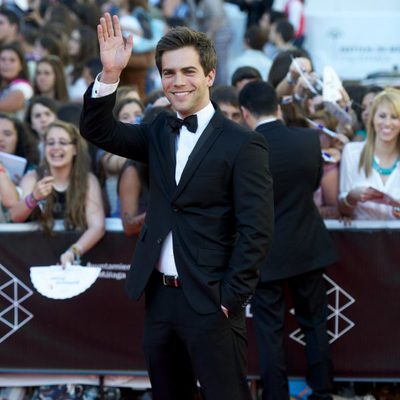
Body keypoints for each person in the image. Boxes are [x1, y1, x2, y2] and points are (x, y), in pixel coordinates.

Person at [80, 13, 273, 400]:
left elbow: (257, 229)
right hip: (161, 300)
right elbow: (97, 130)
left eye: (188, 71)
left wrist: (231, 297)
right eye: (169, 73)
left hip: (212, 301)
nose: (178, 81)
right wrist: (110, 73)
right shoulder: (158, 130)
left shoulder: (242, 144)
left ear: (210, 75)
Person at [239, 81, 337, 400]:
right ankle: (322, 390)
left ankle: (276, 396)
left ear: (244, 113)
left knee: (269, 332)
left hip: (265, 253)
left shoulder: (243, 148)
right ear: (278, 107)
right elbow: (311, 185)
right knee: (316, 323)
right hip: (308, 246)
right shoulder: (309, 140)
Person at [10, 120, 105, 267]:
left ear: (75, 149)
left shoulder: (88, 181)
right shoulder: (32, 178)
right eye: (51, 143)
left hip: (74, 261)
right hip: (33, 260)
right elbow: (15, 216)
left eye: (62, 142)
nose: (56, 148)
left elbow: (97, 226)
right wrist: (34, 198)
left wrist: (73, 252)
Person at [339, 88, 400, 220]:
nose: (387, 123)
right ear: (372, 119)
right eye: (382, 116)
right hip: (361, 239)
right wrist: (352, 197)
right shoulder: (352, 152)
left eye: (394, 117)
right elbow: (342, 212)